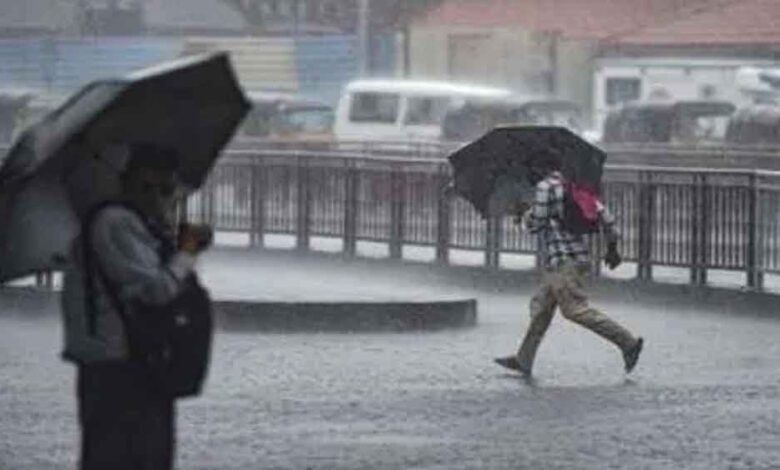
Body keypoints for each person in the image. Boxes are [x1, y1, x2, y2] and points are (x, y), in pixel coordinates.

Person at [60, 143, 212, 470]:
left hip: (135, 362)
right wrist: (186, 252)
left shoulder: (139, 224)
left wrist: (176, 245)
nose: (158, 197)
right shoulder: (115, 222)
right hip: (119, 367)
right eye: (148, 187)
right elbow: (156, 290)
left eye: (167, 190)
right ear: (127, 182)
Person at [495, 162, 643, 378]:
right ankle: (524, 359)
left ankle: (628, 343)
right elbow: (605, 216)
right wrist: (612, 248)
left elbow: (537, 223)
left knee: (574, 310)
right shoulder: (572, 186)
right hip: (570, 259)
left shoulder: (545, 187)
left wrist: (524, 214)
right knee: (541, 309)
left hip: (564, 261)